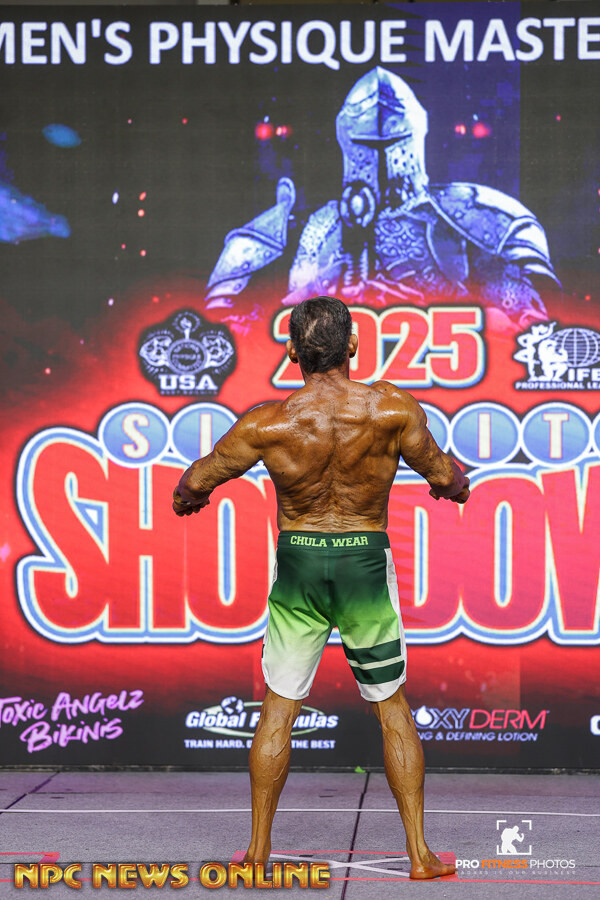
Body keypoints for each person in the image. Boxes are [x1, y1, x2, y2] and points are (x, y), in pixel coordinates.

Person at [172, 296, 470, 880]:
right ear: (353, 345)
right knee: (391, 706)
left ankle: (257, 855)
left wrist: (189, 500)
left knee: (279, 705)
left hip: (300, 565)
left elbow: (195, 480)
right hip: (363, 564)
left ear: (291, 351)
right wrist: (455, 487)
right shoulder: (391, 409)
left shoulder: (267, 423)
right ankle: (419, 855)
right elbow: (444, 474)